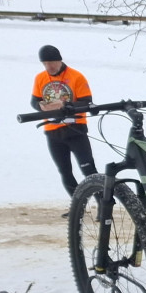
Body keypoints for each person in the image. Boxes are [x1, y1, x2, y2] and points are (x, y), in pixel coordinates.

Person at [30, 45, 97, 206]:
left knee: (88, 169)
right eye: (45, 63)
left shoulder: (76, 77)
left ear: (60, 60)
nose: (49, 66)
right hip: (53, 132)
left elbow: (87, 102)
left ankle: (104, 205)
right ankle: (77, 208)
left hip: (76, 129)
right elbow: (34, 101)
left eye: (52, 62)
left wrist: (65, 104)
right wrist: (42, 107)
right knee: (64, 171)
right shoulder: (40, 78)